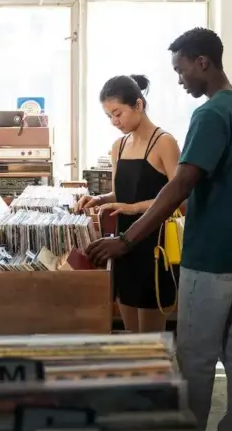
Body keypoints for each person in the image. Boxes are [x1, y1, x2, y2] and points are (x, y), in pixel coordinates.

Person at [85, 28, 232, 431]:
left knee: (194, 355)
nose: (179, 79)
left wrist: (127, 240)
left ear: (202, 61)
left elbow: (180, 186)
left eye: (181, 69)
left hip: (211, 255)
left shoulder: (210, 114)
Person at [74, 74, 181, 334]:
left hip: (155, 248)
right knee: (132, 337)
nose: (114, 122)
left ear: (138, 105)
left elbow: (180, 198)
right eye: (109, 116)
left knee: (151, 339)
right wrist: (99, 199)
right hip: (122, 248)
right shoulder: (118, 146)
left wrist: (134, 208)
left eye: (118, 113)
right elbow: (120, 193)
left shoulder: (164, 142)